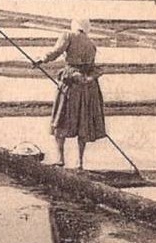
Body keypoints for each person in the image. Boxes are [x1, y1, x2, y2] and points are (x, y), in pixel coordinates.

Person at [33, 17, 106, 169]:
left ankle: (61, 159)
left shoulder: (68, 35)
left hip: (71, 85)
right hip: (87, 87)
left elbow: (56, 52)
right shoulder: (91, 44)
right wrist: (86, 78)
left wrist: (41, 59)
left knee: (61, 120)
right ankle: (80, 162)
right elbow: (92, 67)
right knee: (83, 123)